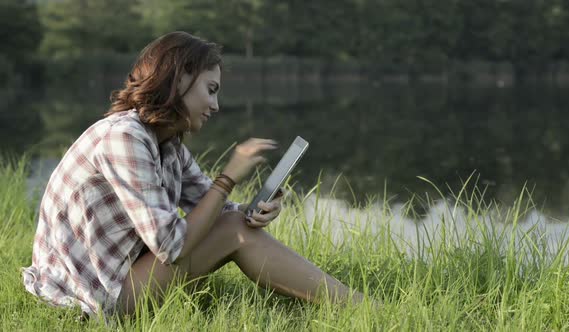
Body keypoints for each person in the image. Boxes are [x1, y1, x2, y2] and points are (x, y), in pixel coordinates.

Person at [22, 31, 365, 318]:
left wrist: (252, 210)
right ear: (180, 78)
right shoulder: (124, 138)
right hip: (90, 296)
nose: (216, 106)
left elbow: (214, 211)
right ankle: (361, 309)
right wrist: (228, 177)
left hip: (115, 275)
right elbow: (172, 245)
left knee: (236, 225)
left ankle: (351, 305)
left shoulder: (166, 144)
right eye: (211, 89)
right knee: (233, 231)